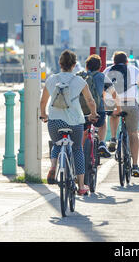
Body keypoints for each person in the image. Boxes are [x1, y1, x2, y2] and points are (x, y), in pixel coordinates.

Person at [40, 50, 99, 196]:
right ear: (74, 65)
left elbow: (43, 101)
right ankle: (81, 185)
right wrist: (93, 114)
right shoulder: (79, 81)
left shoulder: (51, 79)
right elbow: (90, 101)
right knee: (77, 149)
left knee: (56, 144)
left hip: (54, 121)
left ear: (60, 64)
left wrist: (43, 114)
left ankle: (53, 166)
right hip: (75, 122)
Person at [104, 51, 139, 178]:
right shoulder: (134, 70)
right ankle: (135, 165)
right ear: (126, 62)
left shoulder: (108, 70)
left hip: (113, 104)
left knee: (114, 114)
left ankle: (113, 138)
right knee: (133, 134)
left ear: (114, 62)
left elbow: (103, 89)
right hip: (130, 104)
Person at [77, 54, 122, 158]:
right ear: (99, 67)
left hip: (81, 111)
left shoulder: (80, 76)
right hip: (98, 110)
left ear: (86, 66)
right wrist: (118, 108)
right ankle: (102, 142)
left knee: (83, 129)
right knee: (102, 123)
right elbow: (114, 94)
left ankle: (80, 150)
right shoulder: (102, 77)